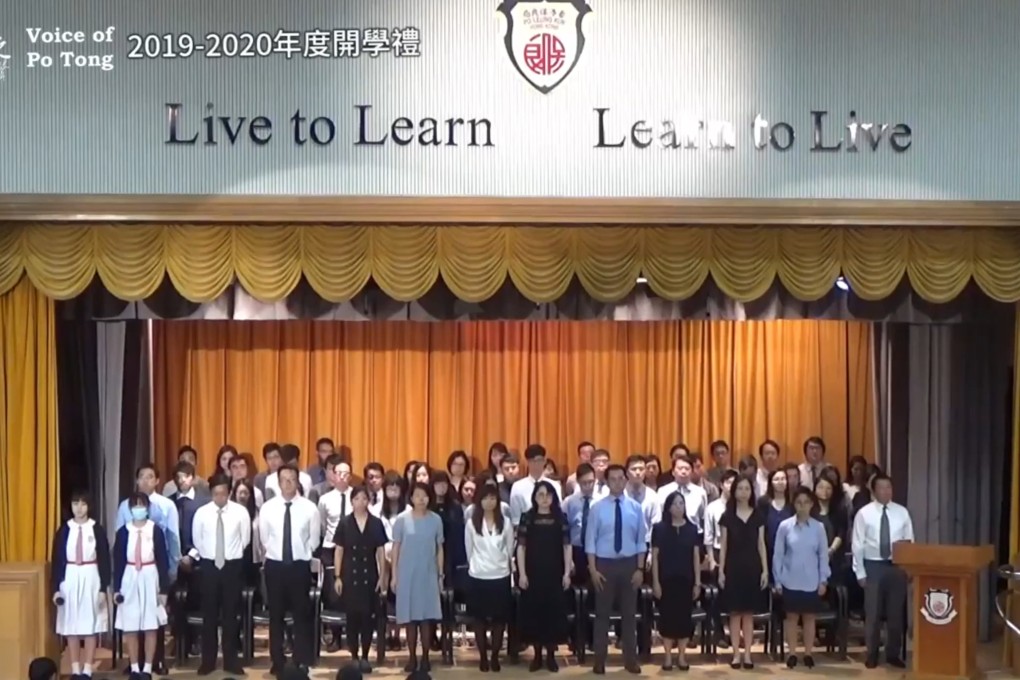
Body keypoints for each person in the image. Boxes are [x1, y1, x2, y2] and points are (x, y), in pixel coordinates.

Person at [114, 463, 180, 675]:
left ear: (157, 480)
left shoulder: (165, 506)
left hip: (153, 572)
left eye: (150, 476)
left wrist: (168, 577)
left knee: (153, 620)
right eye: (141, 476)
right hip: (130, 573)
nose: (145, 480)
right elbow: (119, 548)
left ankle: (154, 662)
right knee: (132, 620)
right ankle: (135, 664)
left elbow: (171, 541)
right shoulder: (124, 508)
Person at [258, 464, 321, 675]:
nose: (287, 483)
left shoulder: (309, 508)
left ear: (298, 482)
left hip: (299, 566)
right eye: (283, 479)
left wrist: (302, 555)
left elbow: (313, 540)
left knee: (301, 615)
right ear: (278, 482)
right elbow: (265, 539)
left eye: (291, 479)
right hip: (275, 566)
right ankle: (277, 660)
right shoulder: (268, 508)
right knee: (275, 616)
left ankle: (301, 659)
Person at [189, 474, 251, 675]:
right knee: (209, 616)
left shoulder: (240, 512)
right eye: (216, 493)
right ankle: (208, 661)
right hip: (208, 567)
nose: (220, 497)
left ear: (229, 492)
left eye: (223, 493)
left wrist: (230, 555)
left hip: (232, 567)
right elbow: (197, 540)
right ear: (211, 492)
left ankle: (231, 661)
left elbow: (245, 539)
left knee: (231, 617)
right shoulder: (201, 513)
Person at [586, 464, 645, 675]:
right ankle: (599, 661)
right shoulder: (597, 508)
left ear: (626, 480)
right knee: (602, 615)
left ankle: (631, 660)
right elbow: (590, 541)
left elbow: (641, 541)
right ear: (607, 481)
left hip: (629, 564)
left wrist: (640, 569)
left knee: (629, 615)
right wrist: (592, 569)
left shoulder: (635, 508)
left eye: (621, 478)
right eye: (613, 479)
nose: (618, 482)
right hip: (604, 565)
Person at [851, 473, 913, 669]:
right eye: (881, 487)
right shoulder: (864, 513)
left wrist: (909, 567)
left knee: (895, 613)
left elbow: (910, 541)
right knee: (873, 613)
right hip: (873, 565)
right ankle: (871, 654)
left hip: (897, 566)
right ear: (874, 490)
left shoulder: (902, 512)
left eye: (889, 487)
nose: (886, 491)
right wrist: (860, 572)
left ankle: (893, 653)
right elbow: (857, 544)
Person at [51, 490, 111, 680]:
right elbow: (57, 559)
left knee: (90, 624)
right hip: (70, 576)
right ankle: (75, 669)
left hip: (90, 575)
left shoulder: (96, 529)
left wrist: (103, 588)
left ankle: (87, 669)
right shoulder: (64, 530)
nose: (79, 508)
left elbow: (104, 560)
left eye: (83, 504)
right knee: (72, 624)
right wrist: (56, 588)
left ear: (89, 506)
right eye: (75, 503)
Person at [517, 480, 572, 672]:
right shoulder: (528, 517)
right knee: (534, 613)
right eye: (540, 495)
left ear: (553, 497)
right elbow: (521, 547)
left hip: (555, 573)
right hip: (533, 573)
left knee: (553, 614)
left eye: (547, 495)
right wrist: (522, 573)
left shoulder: (560, 517)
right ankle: (537, 655)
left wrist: (567, 572)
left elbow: (567, 546)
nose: (544, 499)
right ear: (534, 497)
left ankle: (550, 656)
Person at [773, 487, 830, 669]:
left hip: (811, 580)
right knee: (791, 618)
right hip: (790, 578)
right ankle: (792, 653)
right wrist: (778, 579)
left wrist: (823, 579)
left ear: (812, 504)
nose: (802, 506)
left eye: (806, 502)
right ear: (794, 504)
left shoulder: (818, 528)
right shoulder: (785, 527)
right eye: (799, 502)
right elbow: (778, 554)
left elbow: (823, 555)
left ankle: (807, 653)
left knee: (809, 618)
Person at [391, 482, 445, 672]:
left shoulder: (436, 520)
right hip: (407, 573)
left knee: (426, 618)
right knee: (411, 618)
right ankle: (412, 657)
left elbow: (439, 548)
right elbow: (396, 548)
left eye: (424, 495)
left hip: (428, 573)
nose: (421, 499)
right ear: (411, 498)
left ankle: (426, 657)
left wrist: (440, 574)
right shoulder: (402, 520)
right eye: (417, 495)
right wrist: (394, 576)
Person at [334, 486, 388, 671]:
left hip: (369, 575)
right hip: (350, 576)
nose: (360, 502)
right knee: (352, 619)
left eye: (364, 498)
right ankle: (354, 655)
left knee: (367, 618)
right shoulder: (345, 523)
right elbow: (339, 550)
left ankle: (365, 655)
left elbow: (380, 550)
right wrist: (337, 577)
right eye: (357, 498)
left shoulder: (376, 523)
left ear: (369, 501)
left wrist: (383, 576)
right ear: (352, 501)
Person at [718, 474, 767, 669]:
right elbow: (723, 545)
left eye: (747, 489)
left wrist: (765, 570)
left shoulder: (758, 515)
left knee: (748, 614)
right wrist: (721, 571)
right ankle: (736, 654)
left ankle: (748, 654)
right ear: (733, 491)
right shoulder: (727, 516)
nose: (744, 492)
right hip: (733, 567)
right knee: (735, 613)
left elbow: (761, 544)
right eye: (740, 488)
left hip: (753, 567)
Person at [464, 484, 514, 672]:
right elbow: (469, 550)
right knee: (479, 619)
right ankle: (483, 656)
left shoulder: (506, 522)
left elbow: (509, 550)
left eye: (493, 498)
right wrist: (477, 565)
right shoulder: (471, 523)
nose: (489, 502)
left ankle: (495, 656)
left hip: (500, 575)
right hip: (478, 575)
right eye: (485, 498)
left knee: (499, 620)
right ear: (479, 501)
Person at [651, 491, 701, 671]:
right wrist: (655, 582)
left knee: (684, 620)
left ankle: (681, 656)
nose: (679, 507)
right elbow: (655, 557)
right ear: (668, 508)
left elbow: (696, 557)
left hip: (686, 580)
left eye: (682, 503)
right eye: (675, 504)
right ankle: (667, 657)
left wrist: (697, 582)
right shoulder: (659, 529)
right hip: (666, 581)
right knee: (667, 619)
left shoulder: (692, 528)